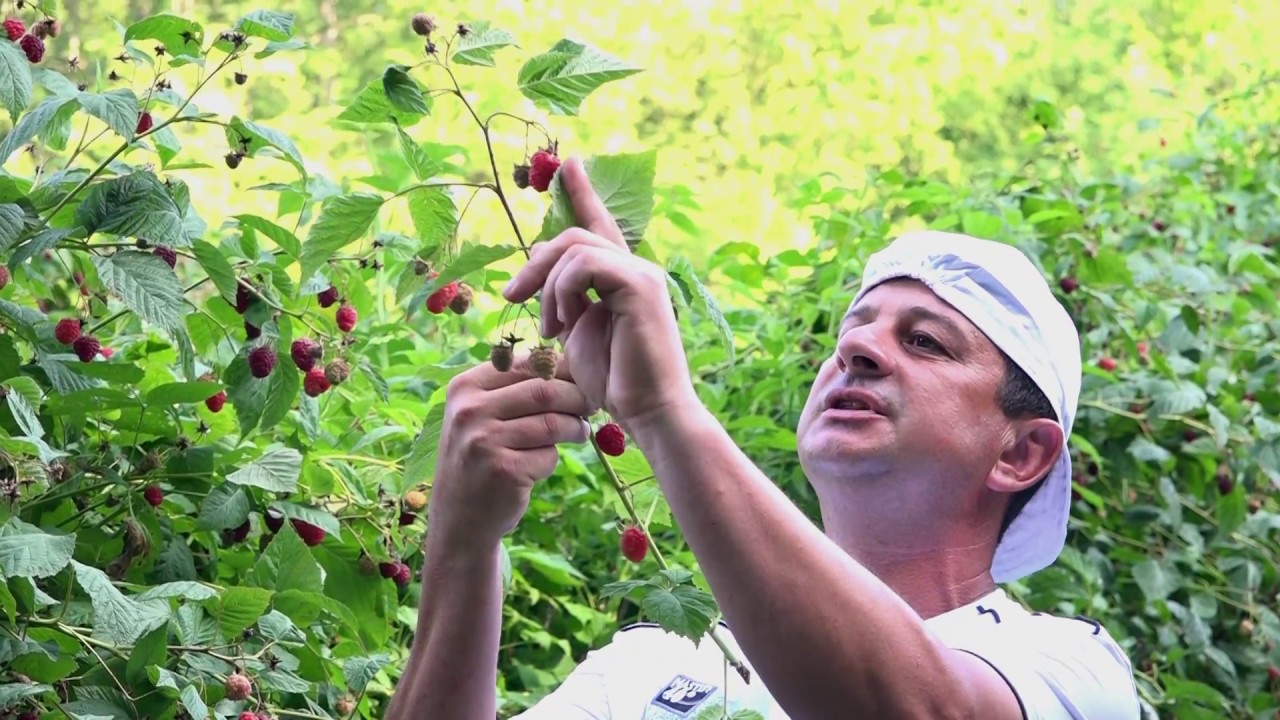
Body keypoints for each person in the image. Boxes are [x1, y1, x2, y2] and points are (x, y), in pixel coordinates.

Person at [384, 157, 1142, 720]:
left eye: (927, 343)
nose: (859, 350)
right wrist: (461, 544)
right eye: (853, 331)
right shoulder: (659, 661)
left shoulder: (1067, 670)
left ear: (1020, 453)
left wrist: (664, 413)